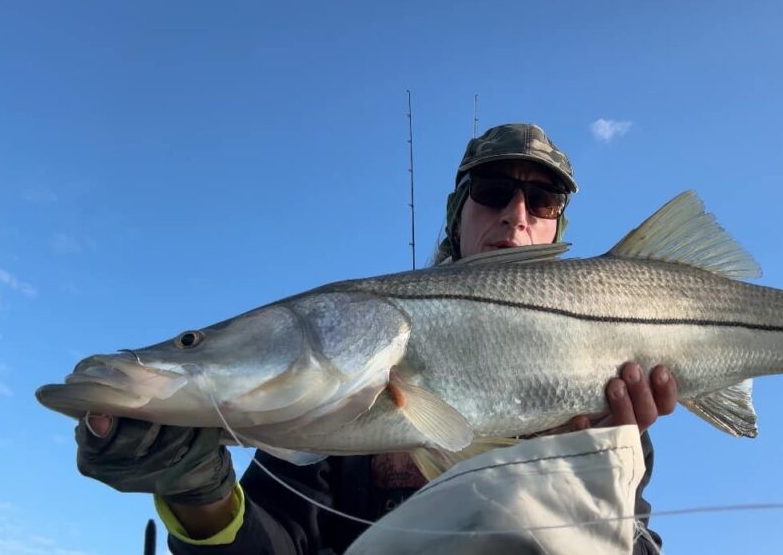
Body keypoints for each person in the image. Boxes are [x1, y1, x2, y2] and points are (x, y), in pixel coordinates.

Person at [77, 123, 678, 554]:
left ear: (555, 224)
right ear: (456, 214)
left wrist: (596, 469)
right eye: (494, 190)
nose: (517, 213)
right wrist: (197, 495)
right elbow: (276, 538)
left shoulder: (609, 395)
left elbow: (641, 543)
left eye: (543, 199)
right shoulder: (333, 384)